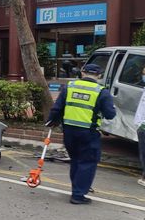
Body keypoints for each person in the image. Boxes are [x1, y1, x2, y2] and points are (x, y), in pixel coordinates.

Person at [46, 63, 116, 204]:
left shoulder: (70, 87)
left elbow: (57, 108)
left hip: (69, 132)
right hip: (88, 133)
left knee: (76, 160)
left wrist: (51, 121)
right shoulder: (102, 91)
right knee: (87, 162)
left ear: (82, 73)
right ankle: (78, 194)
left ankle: (77, 187)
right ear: (99, 76)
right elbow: (110, 114)